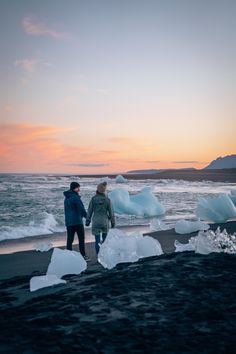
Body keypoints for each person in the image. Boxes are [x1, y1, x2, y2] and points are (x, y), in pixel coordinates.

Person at [86, 181, 115, 254]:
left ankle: (98, 255)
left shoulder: (93, 199)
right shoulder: (107, 200)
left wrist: (87, 221)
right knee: (105, 239)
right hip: (105, 221)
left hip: (96, 221)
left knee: (97, 240)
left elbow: (90, 211)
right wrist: (113, 222)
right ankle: (104, 254)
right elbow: (111, 212)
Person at [64, 182, 89, 260]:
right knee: (81, 239)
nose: (79, 189)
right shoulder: (75, 197)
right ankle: (83, 255)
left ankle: (68, 256)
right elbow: (81, 209)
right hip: (77, 222)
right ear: (74, 188)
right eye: (78, 188)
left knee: (69, 240)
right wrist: (87, 217)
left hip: (69, 222)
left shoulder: (66, 198)